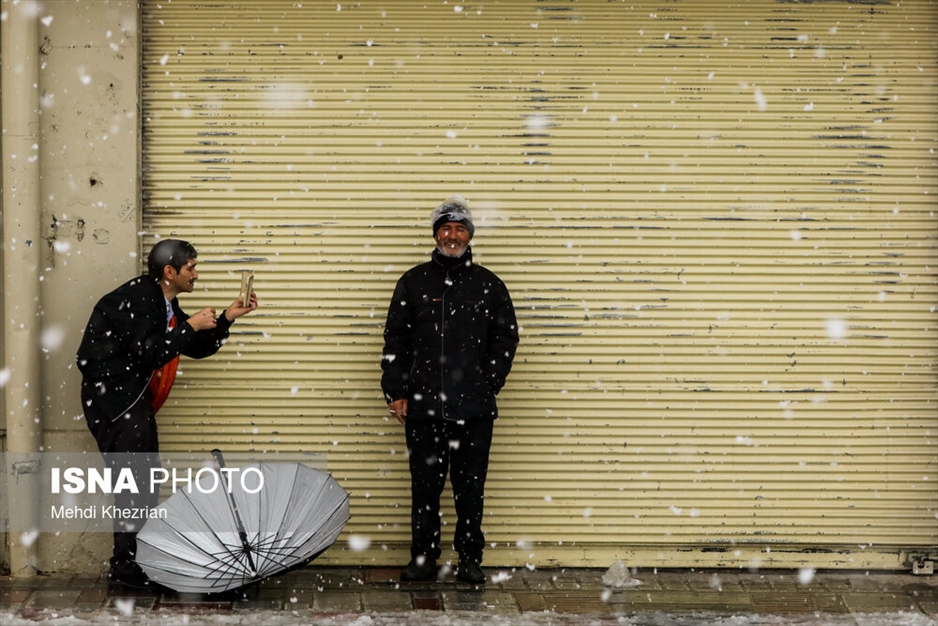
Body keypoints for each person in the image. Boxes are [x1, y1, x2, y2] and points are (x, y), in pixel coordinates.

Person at [76, 239, 258, 589]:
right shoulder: (143, 299)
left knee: (144, 483)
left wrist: (225, 319)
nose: (196, 273)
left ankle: (134, 565)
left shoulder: (162, 303)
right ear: (169, 271)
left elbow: (193, 346)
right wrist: (189, 326)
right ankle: (126, 570)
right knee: (135, 485)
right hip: (115, 404)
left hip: (131, 403)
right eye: (190, 267)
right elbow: (149, 352)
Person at [381, 195, 519, 585]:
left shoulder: (488, 285)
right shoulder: (414, 282)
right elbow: (395, 342)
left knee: (470, 490)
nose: (452, 235)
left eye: (460, 228)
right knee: (424, 488)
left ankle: (469, 559)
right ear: (436, 233)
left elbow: (505, 339)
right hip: (424, 408)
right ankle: (423, 558)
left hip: (473, 410)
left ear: (469, 236)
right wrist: (396, 391)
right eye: (446, 227)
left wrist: (487, 381)